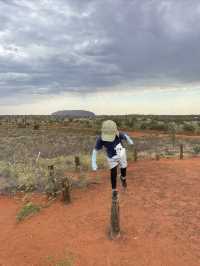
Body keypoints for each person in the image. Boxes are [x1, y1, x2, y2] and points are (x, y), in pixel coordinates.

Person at [91, 120, 134, 198]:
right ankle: (114, 190)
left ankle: (123, 178)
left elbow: (125, 135)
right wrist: (93, 161)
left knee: (123, 168)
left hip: (121, 153)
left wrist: (129, 140)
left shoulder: (118, 134)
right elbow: (95, 150)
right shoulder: (101, 138)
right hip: (111, 156)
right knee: (113, 172)